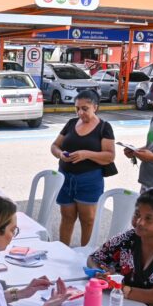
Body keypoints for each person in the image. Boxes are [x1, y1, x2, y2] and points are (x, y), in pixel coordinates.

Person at [50, 90, 115, 246]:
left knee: (87, 220)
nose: (80, 112)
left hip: (89, 179)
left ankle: (85, 255)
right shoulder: (71, 123)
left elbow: (110, 156)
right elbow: (54, 146)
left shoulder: (104, 127)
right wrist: (60, 154)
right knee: (67, 217)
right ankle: (63, 250)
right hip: (65, 177)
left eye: (84, 108)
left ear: (95, 107)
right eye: (77, 108)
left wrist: (86, 154)